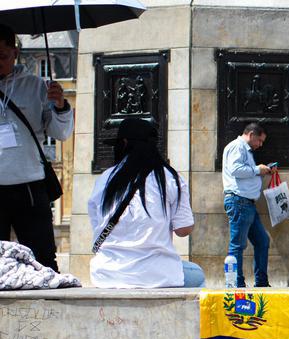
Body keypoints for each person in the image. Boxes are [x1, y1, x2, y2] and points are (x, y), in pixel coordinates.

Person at [87, 119, 204, 288]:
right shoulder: (170, 178)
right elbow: (183, 230)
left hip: (106, 274)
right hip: (156, 274)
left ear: (124, 144)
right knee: (197, 275)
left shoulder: (105, 179)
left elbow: (97, 224)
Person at [0, 24, 73, 271]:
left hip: (29, 186)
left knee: (43, 262)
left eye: (2, 56)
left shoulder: (36, 86)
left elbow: (61, 133)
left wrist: (61, 106)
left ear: (15, 53)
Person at [222, 123, 273, 288]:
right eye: (259, 140)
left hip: (246, 203)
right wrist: (257, 170)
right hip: (239, 201)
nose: (260, 145)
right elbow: (235, 169)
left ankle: (261, 282)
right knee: (237, 244)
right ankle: (236, 284)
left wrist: (261, 171)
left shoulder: (245, 150)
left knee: (262, 241)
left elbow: (244, 171)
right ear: (251, 135)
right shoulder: (238, 146)